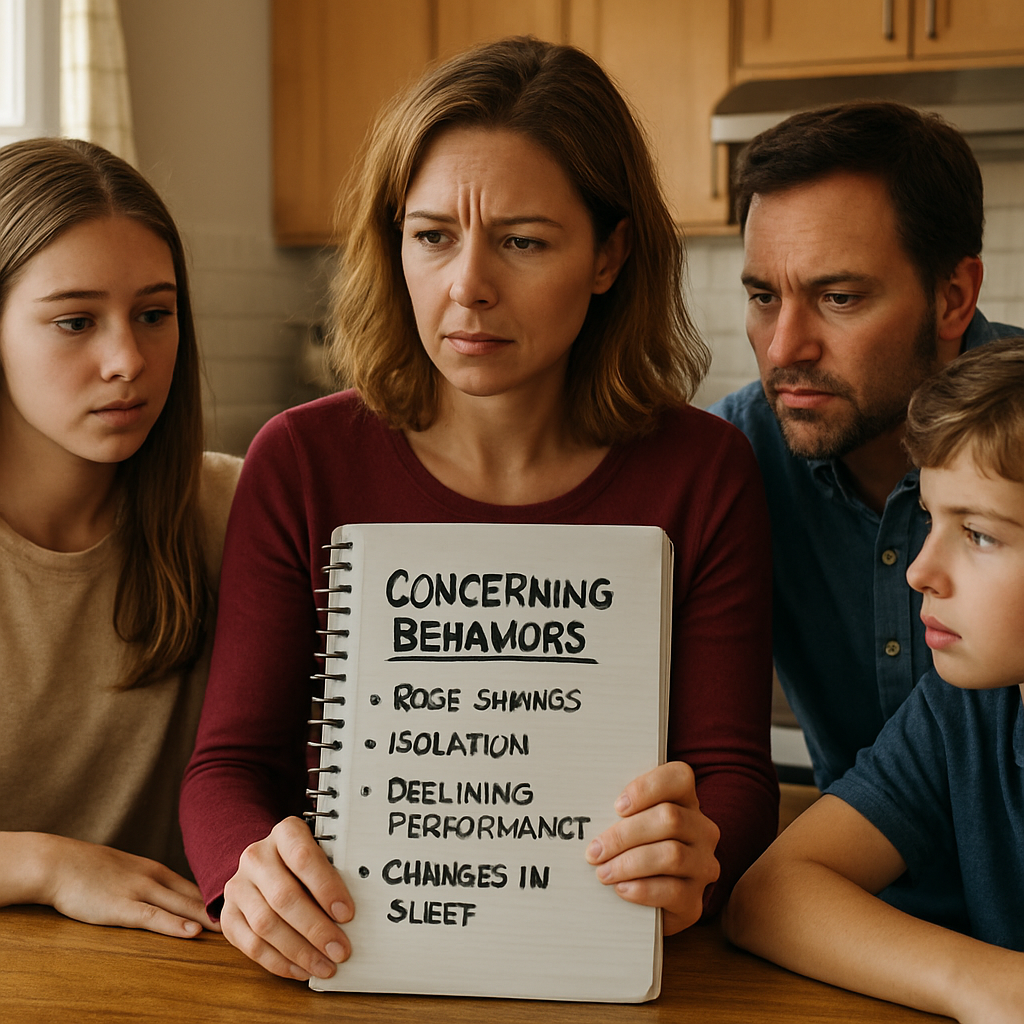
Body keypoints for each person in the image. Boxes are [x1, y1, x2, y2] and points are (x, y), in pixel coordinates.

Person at [181, 36, 778, 982]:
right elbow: (227, 769)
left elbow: (734, 775)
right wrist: (243, 875)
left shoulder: (704, 472)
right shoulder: (298, 462)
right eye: (432, 236)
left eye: (523, 241)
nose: (468, 286)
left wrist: (696, 856)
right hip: (347, 960)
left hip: (608, 960)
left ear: (609, 254)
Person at [710, 101, 1023, 792]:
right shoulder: (731, 460)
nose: (784, 348)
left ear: (952, 297)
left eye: (840, 298)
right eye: (764, 297)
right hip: (841, 876)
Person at [723, 338, 1024, 1024]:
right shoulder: (964, 710)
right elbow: (769, 895)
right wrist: (988, 984)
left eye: (978, 534)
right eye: (930, 518)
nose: (920, 570)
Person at [0, 138, 241, 938]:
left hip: (182, 979)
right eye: (75, 321)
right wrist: (49, 865)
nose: (127, 360)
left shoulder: (231, 509)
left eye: (154, 314)